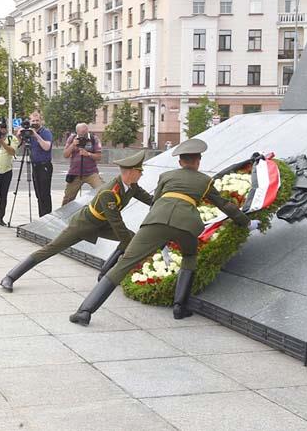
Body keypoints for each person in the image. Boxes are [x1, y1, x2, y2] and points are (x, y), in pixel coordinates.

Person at [70, 139, 260, 326]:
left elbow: (155, 202)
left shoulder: (166, 176)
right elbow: (225, 205)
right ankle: (179, 307)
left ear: (179, 162)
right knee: (189, 256)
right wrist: (246, 222)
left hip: (156, 221)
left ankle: (85, 311)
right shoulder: (205, 180)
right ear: (198, 161)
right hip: (187, 226)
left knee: (125, 263)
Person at [0, 151, 152, 292]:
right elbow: (117, 223)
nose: (141, 174)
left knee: (130, 238)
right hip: (83, 225)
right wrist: (129, 243)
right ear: (131, 172)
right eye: (140, 172)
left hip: (102, 224)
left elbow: (149, 199)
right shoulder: (109, 192)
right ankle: (10, 276)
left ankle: (105, 275)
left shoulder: (131, 186)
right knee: (51, 248)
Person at [18, 110, 54, 217]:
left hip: (44, 165)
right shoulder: (28, 133)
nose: (35, 122)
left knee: (45, 194)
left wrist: (36, 135)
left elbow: (46, 147)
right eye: (33, 120)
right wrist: (20, 135)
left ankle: (47, 217)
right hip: (35, 165)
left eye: (37, 120)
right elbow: (20, 145)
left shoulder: (45, 132)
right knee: (38, 194)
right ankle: (41, 216)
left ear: (41, 121)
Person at [62, 123, 104, 206]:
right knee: (68, 198)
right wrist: (72, 145)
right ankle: (63, 216)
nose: (83, 136)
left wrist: (88, 154)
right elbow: (65, 155)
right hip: (75, 173)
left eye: (85, 132)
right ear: (77, 132)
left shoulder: (94, 139)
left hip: (91, 173)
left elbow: (99, 156)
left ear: (87, 130)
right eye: (81, 133)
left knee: (103, 191)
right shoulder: (72, 138)